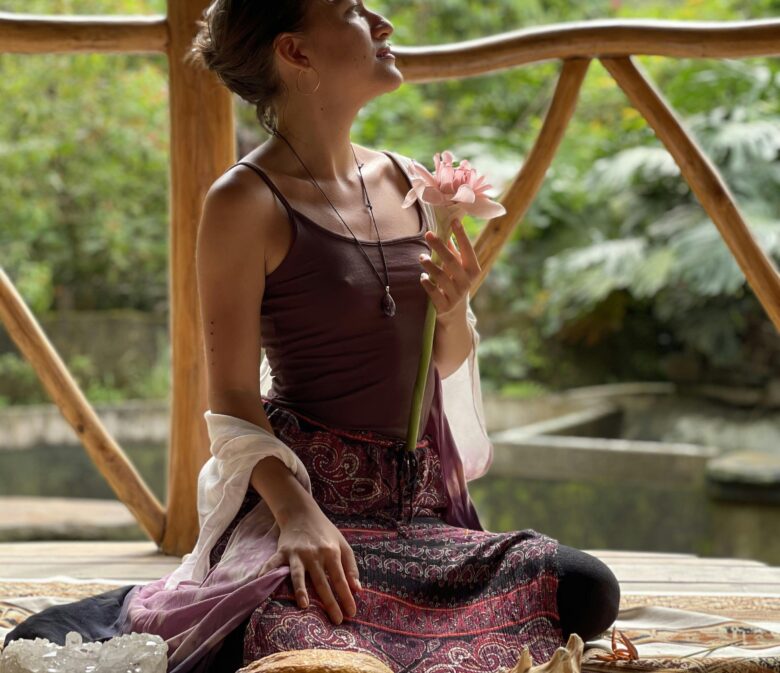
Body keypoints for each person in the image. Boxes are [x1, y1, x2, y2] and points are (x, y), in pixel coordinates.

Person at [3, 1, 620, 671]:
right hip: (308, 506)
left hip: (419, 520)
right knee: (289, 636)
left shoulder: (410, 182)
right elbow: (233, 397)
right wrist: (298, 516)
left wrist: (454, 310)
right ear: (296, 53)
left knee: (583, 587)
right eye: (353, 9)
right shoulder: (246, 201)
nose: (382, 22)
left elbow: (440, 366)